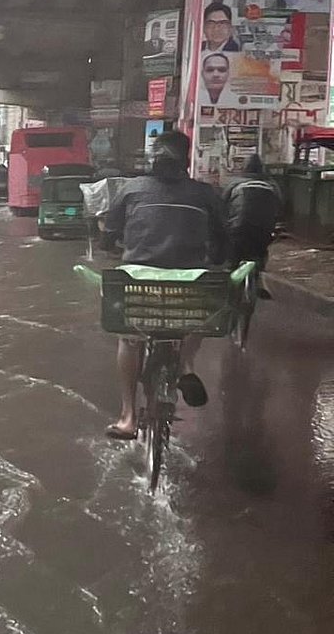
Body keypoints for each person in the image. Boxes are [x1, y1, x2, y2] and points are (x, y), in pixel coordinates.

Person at [102, 129, 229, 440]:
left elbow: (109, 233)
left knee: (129, 338)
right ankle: (185, 364)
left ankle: (129, 417)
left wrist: (112, 242)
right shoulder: (204, 194)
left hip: (139, 285)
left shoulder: (132, 188)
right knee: (200, 313)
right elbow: (223, 240)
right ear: (186, 160)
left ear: (152, 158)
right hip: (190, 286)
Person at [224, 153, 282, 283]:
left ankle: (232, 283)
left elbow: (222, 205)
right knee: (260, 252)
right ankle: (259, 280)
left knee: (233, 258)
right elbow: (279, 206)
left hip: (238, 228)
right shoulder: (272, 185)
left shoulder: (234, 183)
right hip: (264, 229)